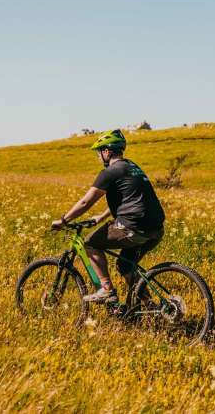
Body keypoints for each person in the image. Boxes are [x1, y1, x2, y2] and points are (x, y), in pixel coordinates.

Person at [51, 129, 165, 304]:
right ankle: (152, 308)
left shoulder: (110, 172)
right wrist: (101, 217)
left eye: (99, 152)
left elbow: (85, 202)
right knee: (126, 266)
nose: (98, 157)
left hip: (132, 227)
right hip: (155, 230)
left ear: (107, 151)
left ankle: (106, 290)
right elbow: (129, 198)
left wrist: (64, 220)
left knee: (90, 244)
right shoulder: (132, 167)